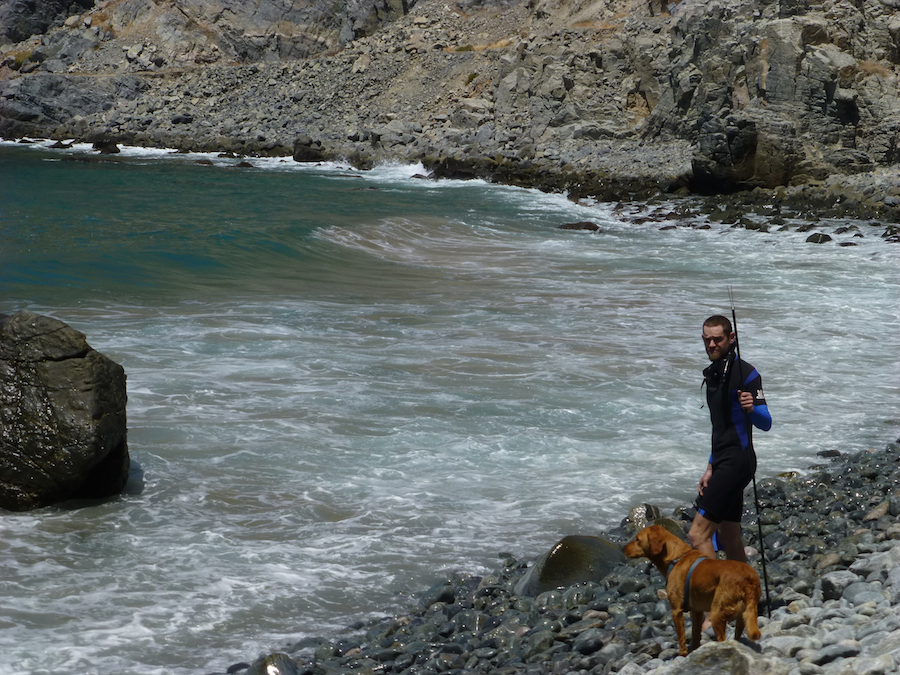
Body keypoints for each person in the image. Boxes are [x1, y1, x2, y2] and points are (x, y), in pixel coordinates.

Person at [688, 314, 771, 563]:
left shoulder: (746, 374)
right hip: (724, 462)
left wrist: (751, 408)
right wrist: (711, 466)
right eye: (707, 340)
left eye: (718, 339)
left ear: (731, 338)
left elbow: (766, 422)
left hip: (738, 462)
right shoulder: (713, 374)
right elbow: (720, 428)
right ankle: (743, 593)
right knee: (729, 535)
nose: (712, 345)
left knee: (697, 534)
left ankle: (715, 598)